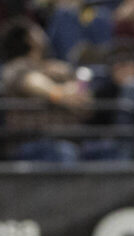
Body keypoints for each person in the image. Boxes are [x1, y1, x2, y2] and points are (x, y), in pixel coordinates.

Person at [0, 16, 93, 161]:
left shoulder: (56, 68)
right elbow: (36, 84)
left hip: (70, 140)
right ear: (29, 39)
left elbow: (84, 101)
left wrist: (75, 90)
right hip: (33, 142)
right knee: (63, 152)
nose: (43, 33)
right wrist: (61, 93)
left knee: (108, 151)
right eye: (37, 30)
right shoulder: (16, 67)